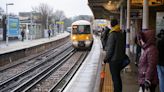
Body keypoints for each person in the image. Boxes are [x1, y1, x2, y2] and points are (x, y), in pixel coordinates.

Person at [104, 19, 125, 92]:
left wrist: (106, 59)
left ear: (111, 25)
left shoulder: (112, 34)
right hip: (120, 59)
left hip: (113, 60)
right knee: (118, 77)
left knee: (115, 78)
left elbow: (110, 49)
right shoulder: (121, 33)